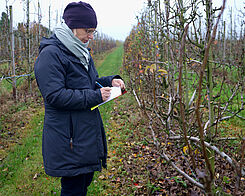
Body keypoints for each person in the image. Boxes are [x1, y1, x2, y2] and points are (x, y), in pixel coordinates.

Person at [34, 1, 125, 195]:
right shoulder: (51, 54)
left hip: (84, 133)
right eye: (88, 31)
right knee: (73, 187)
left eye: (94, 32)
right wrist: (95, 96)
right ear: (73, 26)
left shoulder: (81, 51)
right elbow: (55, 95)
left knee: (83, 181)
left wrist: (112, 81)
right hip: (69, 137)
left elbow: (88, 83)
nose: (91, 36)